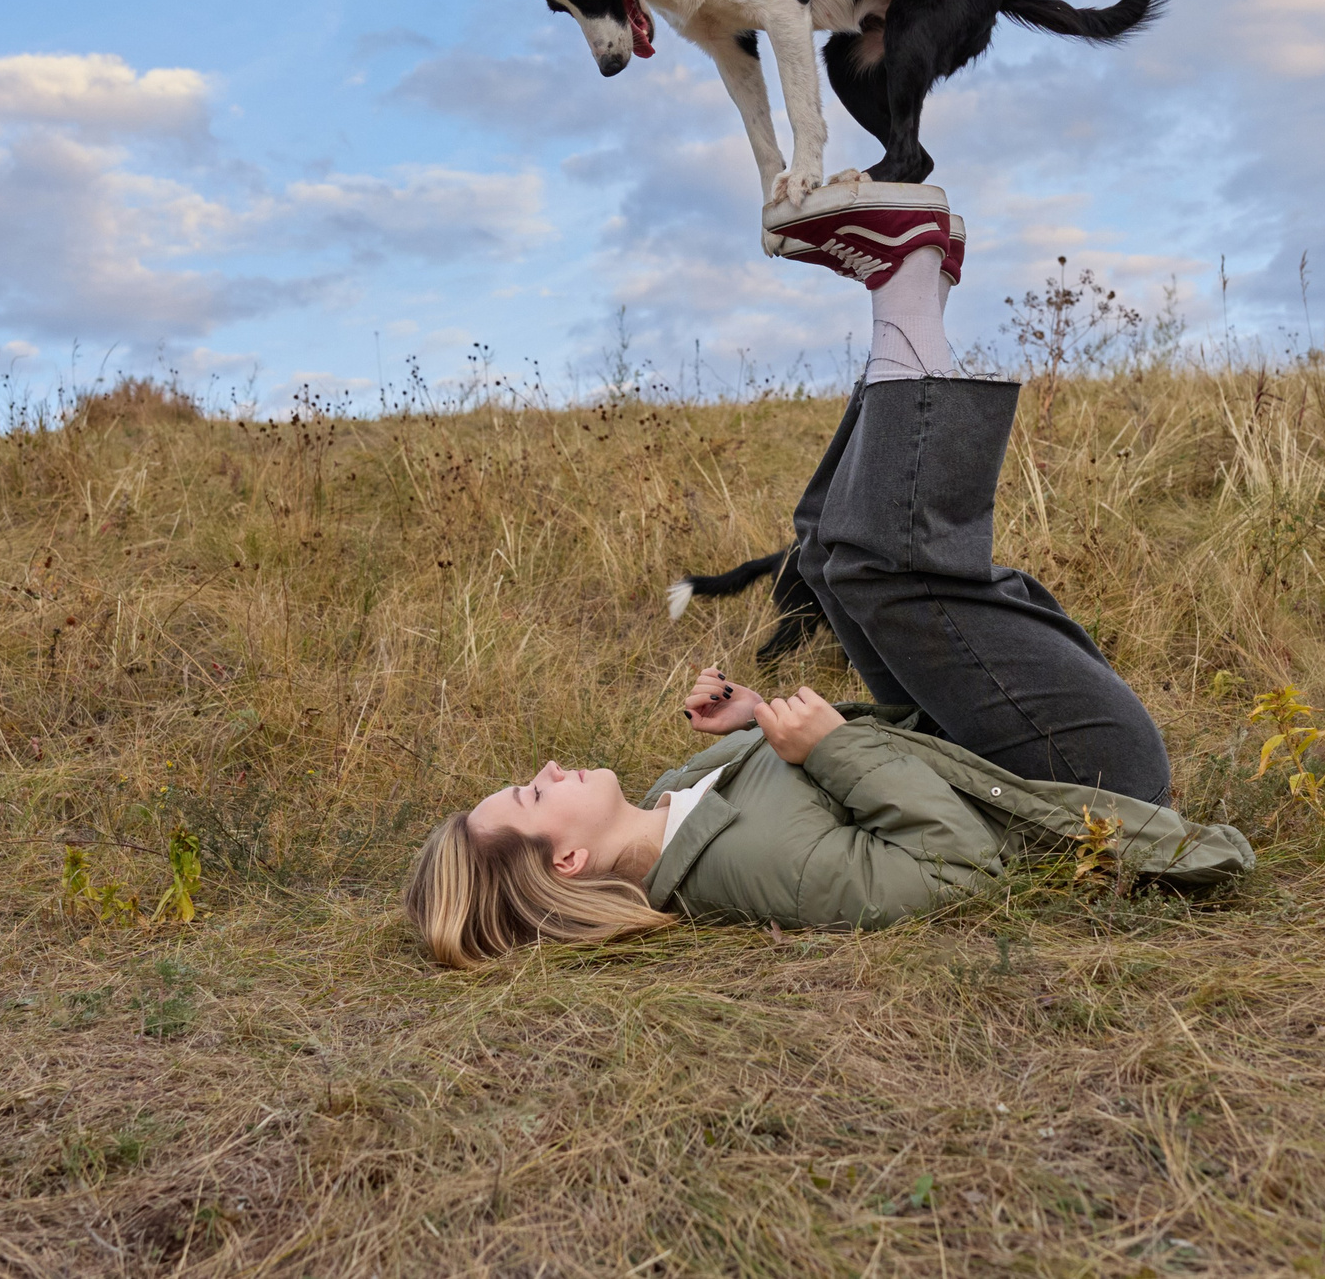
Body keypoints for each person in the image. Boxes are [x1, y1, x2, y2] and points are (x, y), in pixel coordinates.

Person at [404, 183, 1253, 968]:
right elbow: (957, 868)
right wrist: (835, 748)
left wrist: (757, 717)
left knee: (820, 557)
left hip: (981, 741)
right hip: (1084, 777)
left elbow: (833, 767)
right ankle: (908, 281)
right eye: (531, 792)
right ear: (570, 859)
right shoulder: (750, 871)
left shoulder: (676, 794)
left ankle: (914, 296)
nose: (547, 767)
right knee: (876, 570)